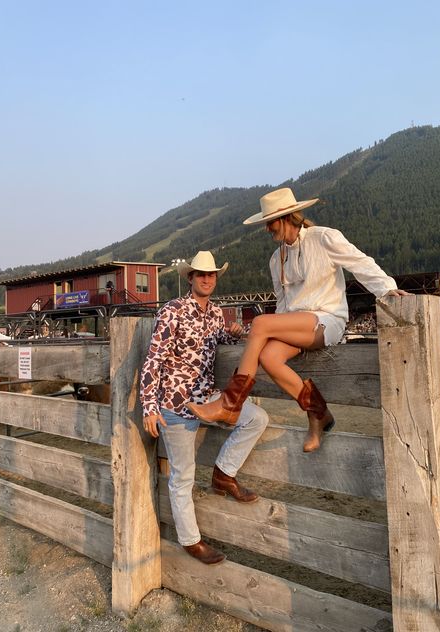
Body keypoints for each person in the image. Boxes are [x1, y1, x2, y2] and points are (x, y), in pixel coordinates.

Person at [188, 187, 408, 452]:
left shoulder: (324, 237)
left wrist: (386, 289)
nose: (267, 229)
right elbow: (283, 305)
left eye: (270, 223)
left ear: (286, 217)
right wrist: (270, 333)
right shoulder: (275, 260)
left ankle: (230, 404)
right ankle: (318, 412)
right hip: (296, 324)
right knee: (268, 357)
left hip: (327, 319)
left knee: (259, 323)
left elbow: (360, 262)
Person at [140, 250, 269, 565]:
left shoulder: (215, 314)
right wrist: (148, 407)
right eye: (201, 274)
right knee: (183, 476)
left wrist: (232, 333)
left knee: (256, 418)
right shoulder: (172, 311)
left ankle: (224, 473)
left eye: (211, 275)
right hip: (176, 404)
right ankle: (190, 541)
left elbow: (214, 339)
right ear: (190, 278)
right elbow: (153, 360)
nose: (207, 279)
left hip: (209, 397)